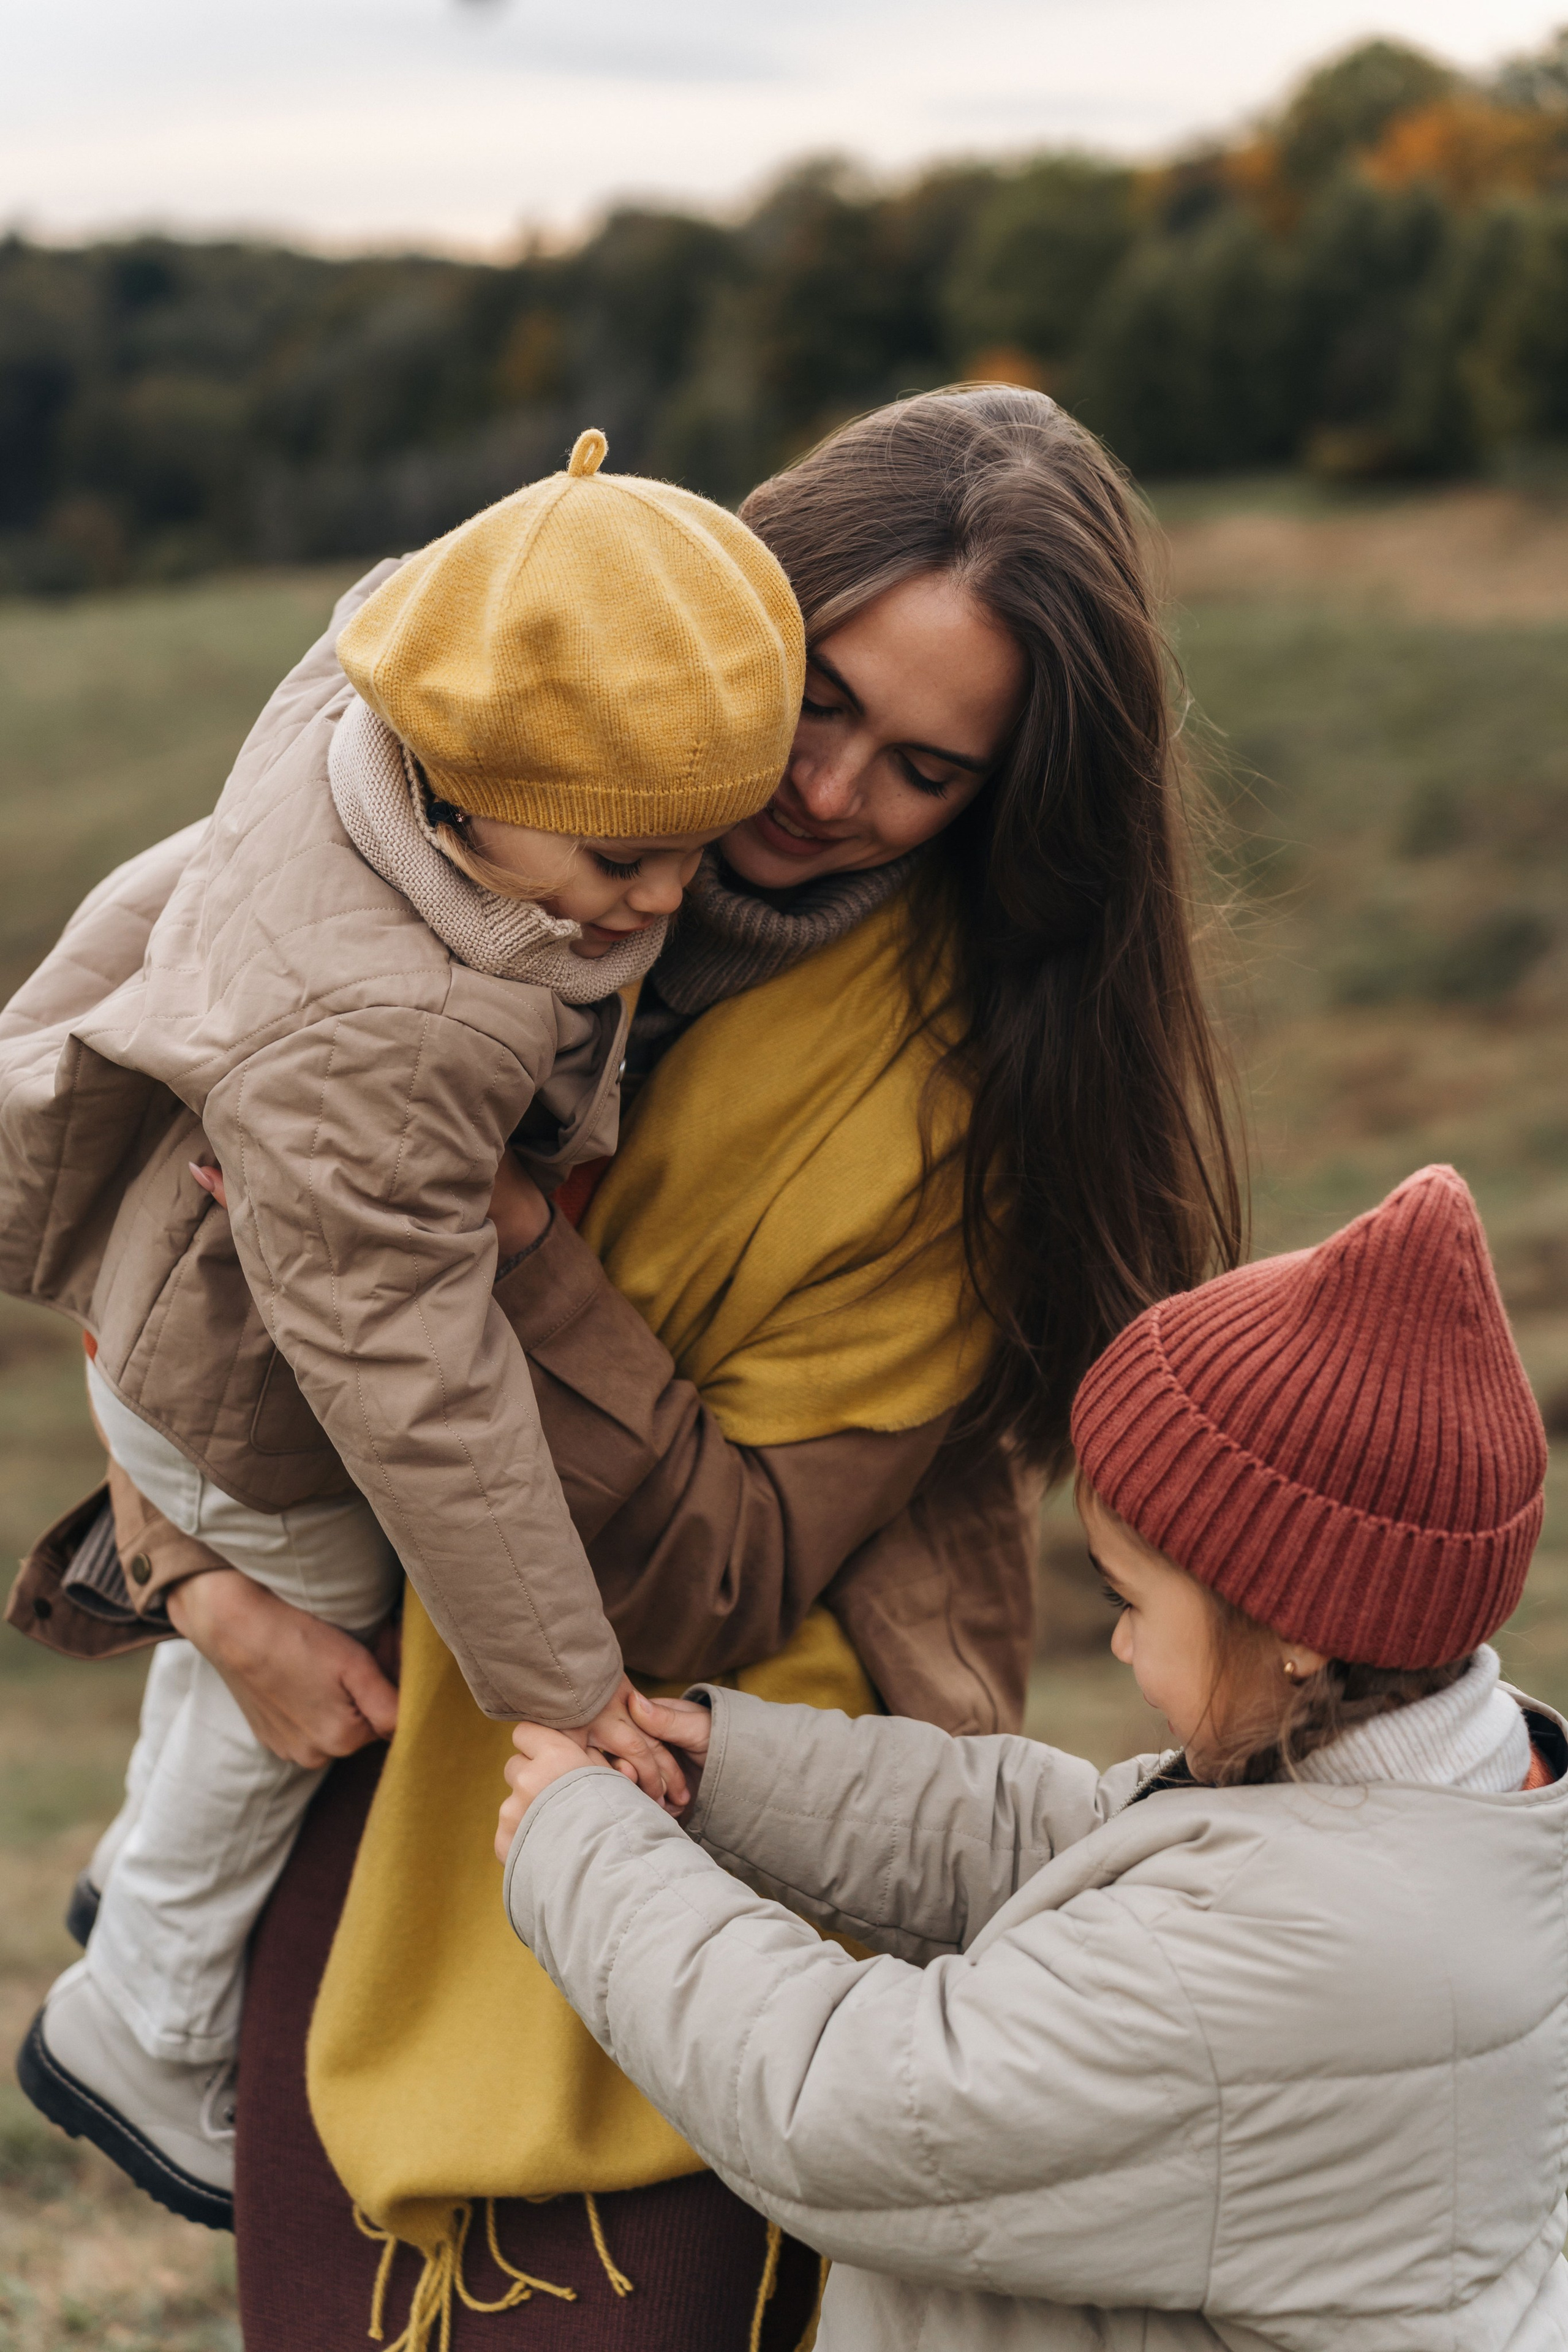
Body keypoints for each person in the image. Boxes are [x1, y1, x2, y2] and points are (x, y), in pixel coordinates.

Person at [9, 385, 1245, 2348]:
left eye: (925, 771)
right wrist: (197, 1575)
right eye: (820, 700)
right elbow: (197, 1261)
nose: (827, 792)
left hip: (711, 1831)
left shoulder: (956, 1106)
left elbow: (715, 1579)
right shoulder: (464, 844)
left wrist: (506, 1246)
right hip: (379, 1763)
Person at [2, 428, 804, 2227]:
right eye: (620, 857)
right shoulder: (392, 1030)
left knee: (238, 1668)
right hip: (252, 1394)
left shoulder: (382, 668)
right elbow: (416, 1390)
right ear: (459, 771)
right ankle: (141, 2016)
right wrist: (563, 1687)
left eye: (697, 848)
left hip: (197, 1308)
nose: (664, 901)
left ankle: (134, 1885)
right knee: (301, 1664)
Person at [497, 1164, 1566, 2352]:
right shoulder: (1450, 1801)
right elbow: (1070, 1840)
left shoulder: (1284, 1961)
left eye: (1130, 1600)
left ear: (1299, 1628)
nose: (1111, 1641)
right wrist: (733, 1768)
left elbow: (848, 2105)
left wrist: (583, 1848)